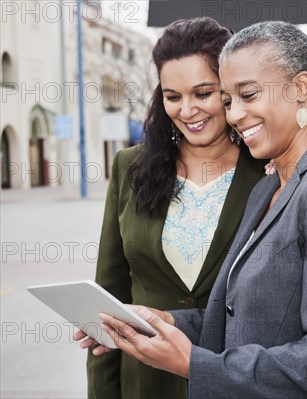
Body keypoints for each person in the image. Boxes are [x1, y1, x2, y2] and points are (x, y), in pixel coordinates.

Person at [77, 21, 307, 398]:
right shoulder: (270, 188)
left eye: (249, 95)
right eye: (229, 101)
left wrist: (194, 364)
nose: (235, 114)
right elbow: (237, 318)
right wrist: (163, 321)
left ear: (300, 88)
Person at [86, 17, 265, 398]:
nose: (188, 110)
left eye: (203, 93)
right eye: (173, 96)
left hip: (235, 379)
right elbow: (108, 299)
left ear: (229, 90)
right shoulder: (129, 168)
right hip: (144, 382)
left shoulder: (268, 172)